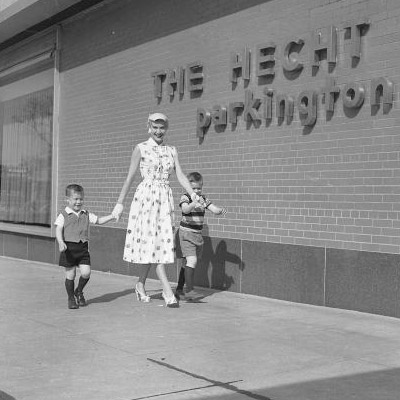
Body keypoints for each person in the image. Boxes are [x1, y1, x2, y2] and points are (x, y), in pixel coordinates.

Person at [112, 112, 202, 308]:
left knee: (158, 243)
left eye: (162, 128)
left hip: (164, 199)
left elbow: (180, 174)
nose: (158, 131)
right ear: (149, 127)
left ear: (166, 129)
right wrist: (120, 204)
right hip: (146, 199)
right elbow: (130, 177)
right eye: (155, 127)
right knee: (154, 243)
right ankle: (167, 290)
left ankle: (140, 284)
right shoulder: (141, 149)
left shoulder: (172, 150)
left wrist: (193, 194)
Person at [55, 184, 115, 309]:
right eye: (75, 199)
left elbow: (99, 220)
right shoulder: (63, 214)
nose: (78, 202)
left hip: (82, 249)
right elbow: (58, 229)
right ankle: (71, 298)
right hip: (69, 250)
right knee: (70, 275)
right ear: (68, 199)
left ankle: (79, 291)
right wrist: (61, 242)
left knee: (86, 273)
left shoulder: (86, 214)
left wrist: (112, 216)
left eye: (81, 199)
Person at [175, 172, 227, 300]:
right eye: (194, 188)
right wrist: (194, 203)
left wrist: (219, 211)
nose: (197, 191)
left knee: (186, 263)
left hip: (197, 235)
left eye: (199, 188)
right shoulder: (185, 197)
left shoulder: (203, 198)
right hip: (186, 233)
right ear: (188, 187)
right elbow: (185, 210)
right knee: (192, 260)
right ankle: (190, 290)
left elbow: (213, 209)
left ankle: (179, 289)